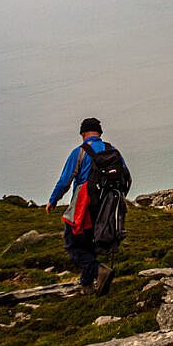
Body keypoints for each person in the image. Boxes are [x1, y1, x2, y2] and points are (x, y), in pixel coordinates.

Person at [45, 117, 122, 295]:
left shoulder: (79, 152)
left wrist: (53, 200)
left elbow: (65, 180)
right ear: (100, 133)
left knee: (73, 244)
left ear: (83, 134)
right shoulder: (113, 151)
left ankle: (98, 271)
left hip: (84, 207)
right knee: (90, 245)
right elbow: (125, 176)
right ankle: (88, 285)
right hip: (107, 208)